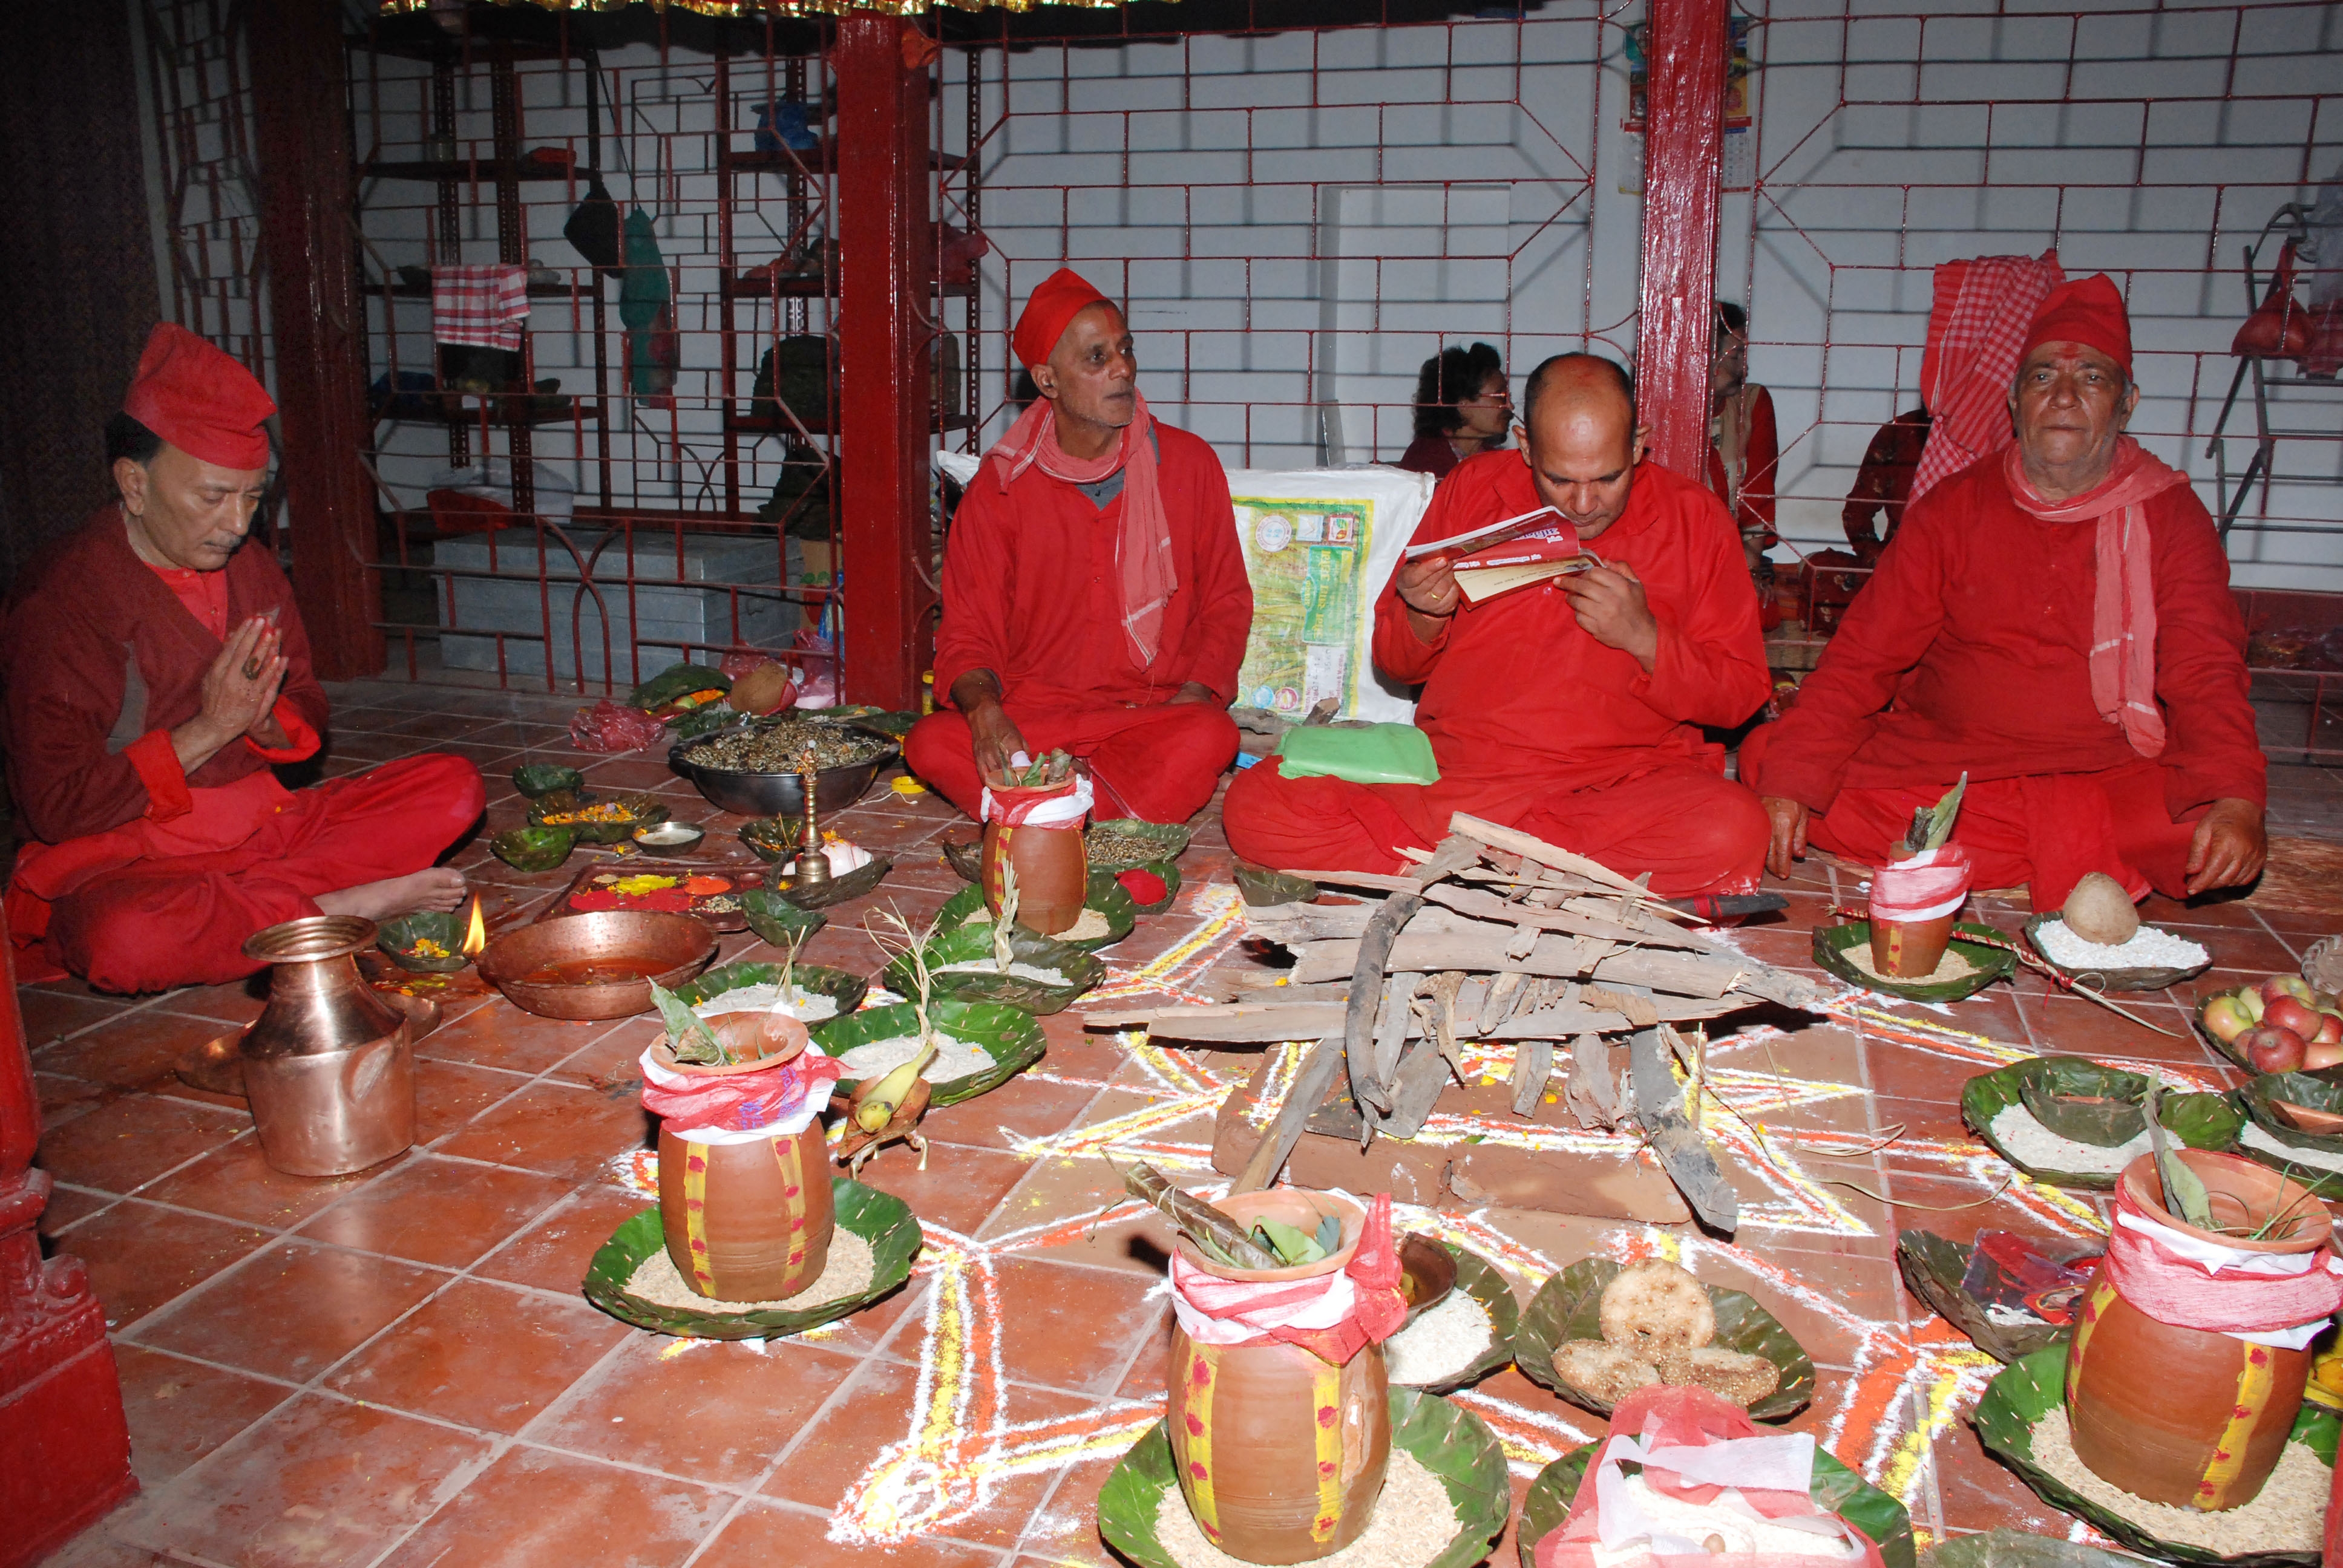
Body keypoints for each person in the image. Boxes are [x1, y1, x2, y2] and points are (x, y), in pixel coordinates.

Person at [1744, 275, 2267, 912]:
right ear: (2015, 401)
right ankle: (2067, 847)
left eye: (2092, 379)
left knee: (2198, 831)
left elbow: (2205, 668)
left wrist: (2236, 798)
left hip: (2107, 766)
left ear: (2126, 403)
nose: (2064, 397)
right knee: (1769, 760)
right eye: (2043, 377)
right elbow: (1864, 657)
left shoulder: (2170, 513)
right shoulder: (1954, 506)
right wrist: (1793, 781)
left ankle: (1995, 846)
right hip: (1948, 762)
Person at [2, 324, 485, 994]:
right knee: (127, 940)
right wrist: (210, 728)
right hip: (137, 855)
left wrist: (265, 722)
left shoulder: (251, 567)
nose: (236, 524)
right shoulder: (61, 600)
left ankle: (262, 911)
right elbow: (57, 806)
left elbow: (307, 698)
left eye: (252, 497)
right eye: (212, 497)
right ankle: (330, 909)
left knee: (451, 785)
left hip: (266, 831)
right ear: (134, 485)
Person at [1223, 354, 1772, 895]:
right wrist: (1423, 613)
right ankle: (1541, 873)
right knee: (1259, 806)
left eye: (1608, 478)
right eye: (1560, 479)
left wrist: (1645, 638)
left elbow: (1739, 696)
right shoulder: (1474, 489)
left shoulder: (1695, 517)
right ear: (1526, 446)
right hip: (1461, 777)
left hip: (1615, 786)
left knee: (1732, 829)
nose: (1584, 504)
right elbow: (1395, 664)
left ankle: (1468, 867)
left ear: (1637, 445)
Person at [905, 267, 1252, 824]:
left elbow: (1226, 602)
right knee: (930, 742)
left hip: (1149, 713)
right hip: (1034, 719)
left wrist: (1196, 693)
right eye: (1097, 358)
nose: (1123, 369)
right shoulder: (1000, 489)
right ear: (1048, 380)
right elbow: (969, 632)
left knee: (1209, 734)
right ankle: (1102, 815)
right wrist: (987, 714)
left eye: (1125, 350)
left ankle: (1049, 816)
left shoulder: (1188, 465)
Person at [1704, 302, 1779, 606]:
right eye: (1735, 357)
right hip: (1669, 553)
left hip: (1729, 553)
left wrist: (1751, 571)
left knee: (1754, 608)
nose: (1744, 370)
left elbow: (1759, 492)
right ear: (1703, 357)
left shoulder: (1751, 403)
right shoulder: (1650, 405)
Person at [1395, 341, 1510, 480]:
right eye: (1500, 396)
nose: (1510, 406)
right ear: (1463, 404)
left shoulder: (1498, 463)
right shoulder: (1424, 460)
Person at [1838, 405, 1933, 562]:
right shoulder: (1901, 431)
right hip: (1903, 561)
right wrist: (1879, 559)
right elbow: (1857, 511)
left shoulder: (1978, 436)